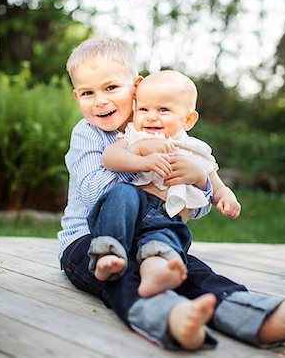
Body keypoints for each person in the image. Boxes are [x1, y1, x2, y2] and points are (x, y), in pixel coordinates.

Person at [58, 37, 285, 352]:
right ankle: (169, 316)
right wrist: (143, 160)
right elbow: (93, 193)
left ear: (136, 86)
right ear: (77, 96)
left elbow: (186, 209)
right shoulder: (88, 133)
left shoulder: (156, 122)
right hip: (88, 241)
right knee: (122, 274)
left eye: (111, 88)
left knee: (183, 268)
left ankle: (258, 315)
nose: (100, 101)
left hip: (148, 235)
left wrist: (199, 180)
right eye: (88, 93)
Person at [91, 70, 241, 297]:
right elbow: (109, 157)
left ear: (188, 119)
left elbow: (217, 187)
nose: (151, 116)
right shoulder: (135, 136)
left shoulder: (196, 151)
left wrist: (227, 198)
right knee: (121, 194)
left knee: (160, 244)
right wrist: (140, 159)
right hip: (134, 207)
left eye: (163, 110)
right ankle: (108, 253)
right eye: (143, 109)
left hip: (167, 217)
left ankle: (155, 274)